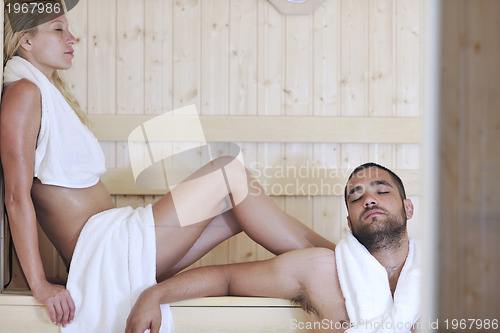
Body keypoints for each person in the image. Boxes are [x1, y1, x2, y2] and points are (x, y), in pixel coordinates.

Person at [0, 4, 334, 331]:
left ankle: (341, 260)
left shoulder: (43, 93)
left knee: (235, 207)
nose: (72, 38)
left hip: (116, 247)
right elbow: (16, 197)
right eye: (58, 29)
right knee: (228, 172)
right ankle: (343, 267)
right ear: (25, 40)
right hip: (108, 253)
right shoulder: (24, 93)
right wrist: (39, 283)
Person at [125, 163, 420, 333]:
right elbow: (225, 278)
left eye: (382, 191)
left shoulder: (445, 275)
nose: (368, 199)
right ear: (348, 221)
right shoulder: (319, 269)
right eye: (356, 198)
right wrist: (155, 293)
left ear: (408, 208)